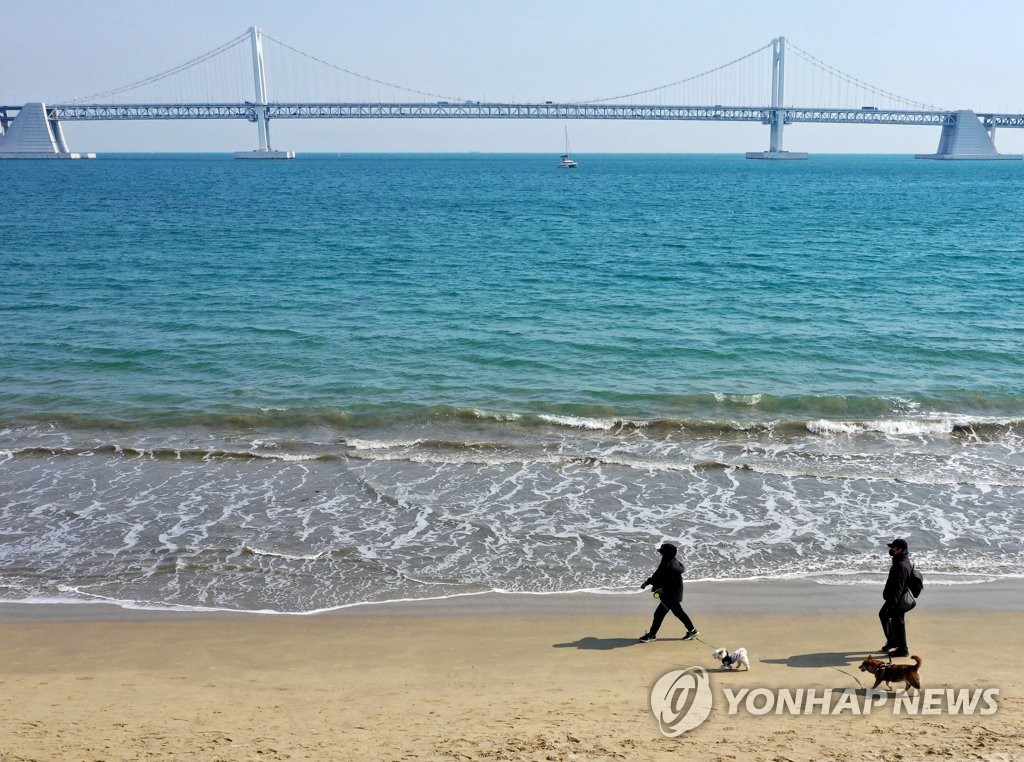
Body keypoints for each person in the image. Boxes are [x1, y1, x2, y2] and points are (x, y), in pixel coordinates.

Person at [638, 542, 698, 643]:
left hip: (671, 595)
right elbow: (657, 575)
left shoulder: (669, 566)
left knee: (658, 614)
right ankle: (692, 631)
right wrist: (648, 582)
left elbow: (670, 582)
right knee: (678, 613)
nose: (660, 554)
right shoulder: (670, 561)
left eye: (662, 553)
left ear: (667, 554)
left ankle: (652, 635)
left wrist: (661, 589)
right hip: (672, 594)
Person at [879, 538, 913, 657]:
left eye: (894, 548)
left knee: (898, 623)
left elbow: (899, 587)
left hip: (897, 599)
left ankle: (903, 649)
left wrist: (893, 604)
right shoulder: (902, 561)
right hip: (896, 598)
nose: (891, 550)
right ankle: (892, 641)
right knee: (885, 616)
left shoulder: (901, 565)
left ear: (901, 550)